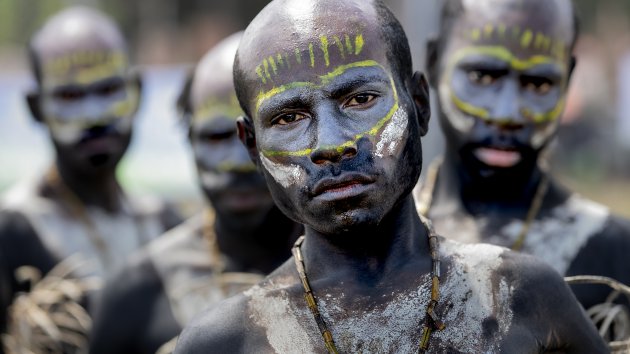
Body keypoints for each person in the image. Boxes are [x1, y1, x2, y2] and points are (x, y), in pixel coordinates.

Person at [175, 0, 608, 352]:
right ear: (252, 144)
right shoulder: (225, 342)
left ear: (418, 104)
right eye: (289, 117)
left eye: (360, 98)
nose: (330, 144)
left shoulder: (525, 296)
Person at [89, 32, 303, 354]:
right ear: (190, 141)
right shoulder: (137, 294)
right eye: (216, 137)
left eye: (258, 132)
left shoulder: (360, 266)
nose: (237, 162)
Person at [417, 0, 630, 317]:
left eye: (538, 83)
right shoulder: (370, 238)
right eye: (482, 77)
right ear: (434, 62)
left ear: (568, 80)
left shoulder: (612, 254)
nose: (507, 113)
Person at [0, 6, 180, 352]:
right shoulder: (12, 231)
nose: (94, 116)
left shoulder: (166, 222)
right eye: (69, 96)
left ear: (137, 92)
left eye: (109, 89)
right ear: (36, 108)